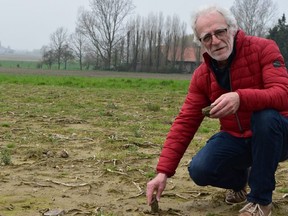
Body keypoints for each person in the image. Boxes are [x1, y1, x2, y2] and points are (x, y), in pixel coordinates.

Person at [146, 4, 288, 216]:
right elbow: (185, 122)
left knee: (265, 117)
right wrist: (162, 172)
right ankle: (240, 181)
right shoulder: (202, 75)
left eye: (220, 32)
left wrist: (241, 98)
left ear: (232, 28)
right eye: (206, 37)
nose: (215, 41)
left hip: (278, 136)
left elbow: (283, 94)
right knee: (200, 169)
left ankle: (260, 201)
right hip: (238, 138)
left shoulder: (263, 49)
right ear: (201, 42)